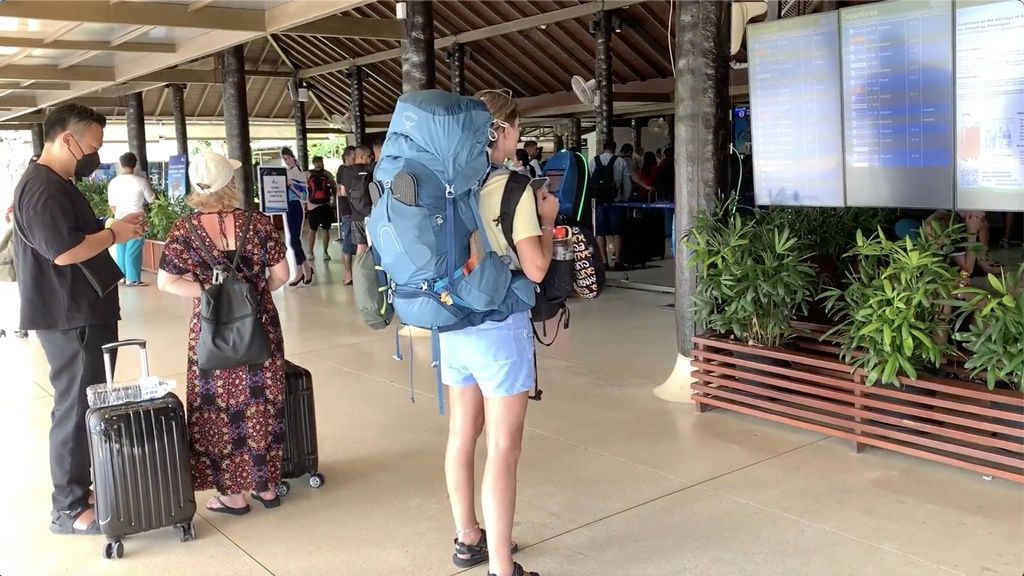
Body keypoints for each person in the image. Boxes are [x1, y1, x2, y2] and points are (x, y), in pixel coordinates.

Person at [12, 103, 146, 535]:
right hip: (69, 315)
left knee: (85, 403)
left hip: (80, 310)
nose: (95, 155)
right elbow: (64, 251)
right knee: (73, 408)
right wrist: (114, 234)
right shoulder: (43, 188)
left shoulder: (55, 183)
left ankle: (78, 490)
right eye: (92, 146)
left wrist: (111, 227)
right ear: (68, 139)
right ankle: (67, 508)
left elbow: (70, 236)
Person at [441, 89, 558, 576]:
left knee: (461, 435)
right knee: (504, 449)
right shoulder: (514, 187)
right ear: (503, 131)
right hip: (499, 328)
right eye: (517, 128)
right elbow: (535, 269)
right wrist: (547, 221)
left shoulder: (446, 180)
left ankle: (468, 537)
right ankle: (502, 568)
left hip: (452, 322)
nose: (518, 136)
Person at [156, 151, 290, 516]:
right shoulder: (257, 223)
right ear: (230, 184)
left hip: (212, 329)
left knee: (216, 408)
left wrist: (210, 293)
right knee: (261, 403)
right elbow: (282, 275)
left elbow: (166, 282)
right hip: (258, 324)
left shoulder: (184, 230)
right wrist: (252, 296)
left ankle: (233, 495)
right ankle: (266, 486)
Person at [107, 151, 156, 287]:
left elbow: (112, 205)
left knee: (121, 248)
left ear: (121, 164)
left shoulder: (113, 182)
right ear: (135, 165)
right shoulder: (141, 181)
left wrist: (120, 216)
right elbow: (151, 199)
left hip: (119, 219)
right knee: (133, 249)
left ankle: (121, 277)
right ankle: (133, 279)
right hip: (137, 219)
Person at [590, 139, 631, 270]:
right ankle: (618, 261)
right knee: (617, 232)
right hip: (615, 202)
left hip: (599, 202)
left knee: (600, 233)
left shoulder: (593, 161)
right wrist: (625, 198)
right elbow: (626, 182)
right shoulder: (620, 161)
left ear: (603, 148)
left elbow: (590, 181)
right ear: (614, 148)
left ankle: (603, 262)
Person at [280, 147, 313, 286]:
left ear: (293, 157)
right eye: (284, 159)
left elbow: (304, 196)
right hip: (288, 207)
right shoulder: (287, 172)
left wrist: (291, 186)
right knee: (293, 241)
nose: (287, 161)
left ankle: (306, 268)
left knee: (294, 240)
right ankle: (300, 271)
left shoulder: (298, 173)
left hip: (296, 206)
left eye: (288, 158)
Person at [342, 145, 374, 255]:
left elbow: (343, 192)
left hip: (355, 215)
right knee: (373, 247)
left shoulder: (346, 172)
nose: (372, 158)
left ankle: (359, 266)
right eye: (369, 156)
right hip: (370, 214)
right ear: (361, 157)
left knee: (360, 248)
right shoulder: (370, 170)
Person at [305, 155, 336, 262]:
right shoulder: (327, 174)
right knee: (325, 230)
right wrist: (333, 200)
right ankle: (325, 253)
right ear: (321, 162)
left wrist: (305, 203)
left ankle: (310, 252)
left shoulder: (308, 174)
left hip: (312, 206)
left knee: (312, 230)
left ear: (313, 163)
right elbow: (333, 187)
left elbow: (303, 189)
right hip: (325, 205)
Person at [335, 146, 357, 284]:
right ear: (347, 157)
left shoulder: (353, 170)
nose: (356, 160)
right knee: (348, 242)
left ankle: (353, 273)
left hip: (355, 209)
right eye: (354, 157)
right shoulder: (343, 170)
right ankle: (348, 273)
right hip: (348, 210)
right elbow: (341, 191)